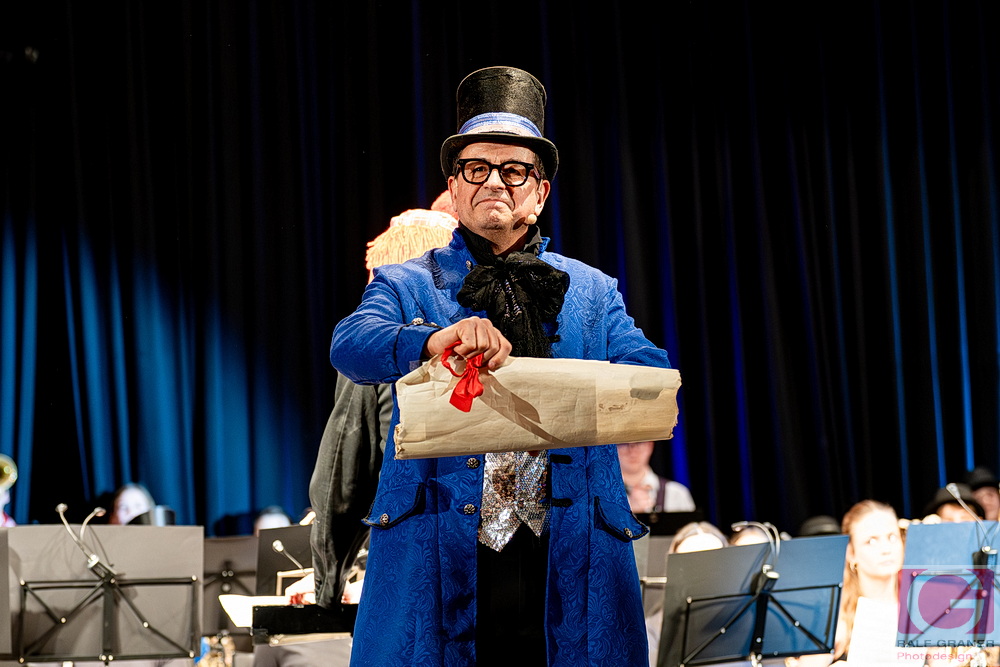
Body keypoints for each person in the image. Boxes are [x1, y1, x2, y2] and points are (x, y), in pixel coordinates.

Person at [329, 66, 672, 666]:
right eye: (476, 168)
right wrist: (433, 341)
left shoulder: (593, 291)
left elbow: (649, 374)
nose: (494, 181)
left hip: (567, 549)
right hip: (441, 540)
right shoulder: (406, 283)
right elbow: (350, 344)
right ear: (455, 187)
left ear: (539, 194)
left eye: (514, 170)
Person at [309, 202, 458, 612]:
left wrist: (327, 588)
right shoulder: (498, 333)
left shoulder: (377, 347)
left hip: (412, 552)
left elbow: (341, 482)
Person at [792, 500, 905, 667]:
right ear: (851, 553)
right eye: (871, 541)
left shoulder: (921, 607)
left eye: (892, 537)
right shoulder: (835, 617)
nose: (886, 549)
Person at [617, 440, 695, 513]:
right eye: (624, 443)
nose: (632, 451)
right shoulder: (608, 497)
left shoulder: (676, 494)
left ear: (650, 445)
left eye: (639, 442)